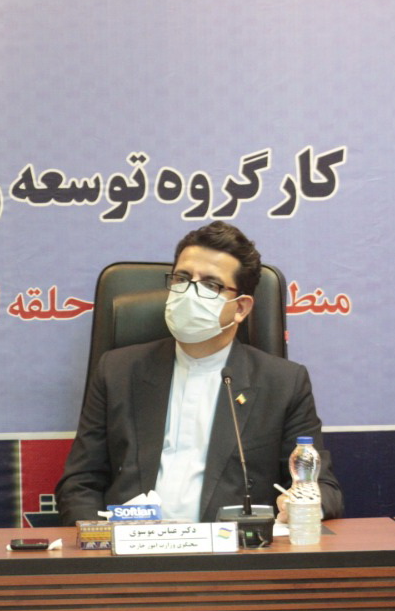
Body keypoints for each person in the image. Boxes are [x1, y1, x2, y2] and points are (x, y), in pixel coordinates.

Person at [56, 222, 343, 525]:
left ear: (241, 308)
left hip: (233, 549)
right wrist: (98, 541)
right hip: (130, 547)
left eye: (210, 285)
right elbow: (80, 484)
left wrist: (301, 503)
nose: (189, 292)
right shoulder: (117, 371)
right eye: (182, 278)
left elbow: (323, 488)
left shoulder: (283, 383)